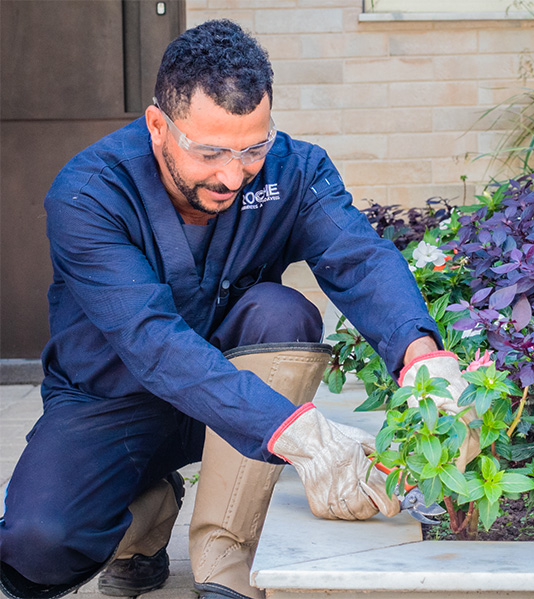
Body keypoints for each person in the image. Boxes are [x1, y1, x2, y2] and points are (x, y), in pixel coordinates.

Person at [0, 19, 474, 599]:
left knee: (282, 310)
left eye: (253, 147)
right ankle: (147, 513)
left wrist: (421, 354)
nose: (232, 174)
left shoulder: (297, 170)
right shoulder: (89, 194)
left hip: (237, 389)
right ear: (158, 126)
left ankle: (227, 559)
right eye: (210, 151)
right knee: (37, 549)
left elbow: (358, 259)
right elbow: (150, 340)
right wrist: (301, 435)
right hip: (114, 399)